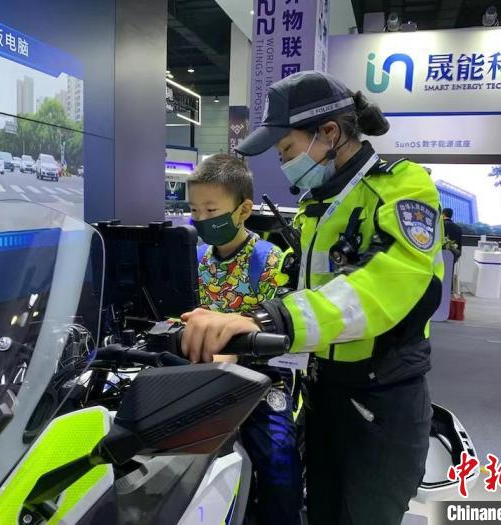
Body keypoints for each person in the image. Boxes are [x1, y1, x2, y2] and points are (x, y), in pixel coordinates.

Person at [180, 71, 443, 524]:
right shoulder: (316, 206)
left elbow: (382, 285)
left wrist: (266, 321)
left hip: (382, 399)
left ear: (330, 133)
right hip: (324, 389)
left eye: (286, 149)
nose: (283, 162)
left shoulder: (401, 187)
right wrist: (232, 321)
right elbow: (298, 287)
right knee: (319, 511)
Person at [187, 154, 303, 525]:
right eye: (195, 210)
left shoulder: (269, 261)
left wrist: (237, 354)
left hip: (262, 377)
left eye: (211, 210)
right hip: (199, 372)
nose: (202, 219)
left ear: (243, 210)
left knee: (277, 458)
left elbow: (282, 329)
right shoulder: (194, 258)